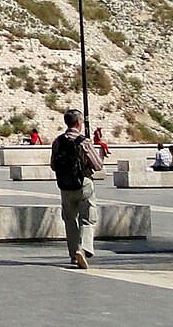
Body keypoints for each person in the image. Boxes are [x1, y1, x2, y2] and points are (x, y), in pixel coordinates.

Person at [50, 109, 103, 269]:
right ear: (79, 123)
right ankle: (84, 248)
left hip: (65, 186)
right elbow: (98, 165)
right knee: (88, 218)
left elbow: (53, 165)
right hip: (84, 184)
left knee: (70, 220)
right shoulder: (83, 141)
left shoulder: (57, 141)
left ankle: (74, 254)